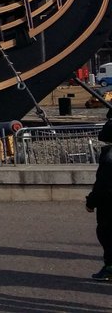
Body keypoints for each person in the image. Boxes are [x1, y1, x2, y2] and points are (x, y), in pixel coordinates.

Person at [86, 119, 112, 280]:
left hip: (109, 204)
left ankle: (110, 268)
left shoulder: (109, 157)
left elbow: (102, 183)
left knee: (106, 234)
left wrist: (91, 202)